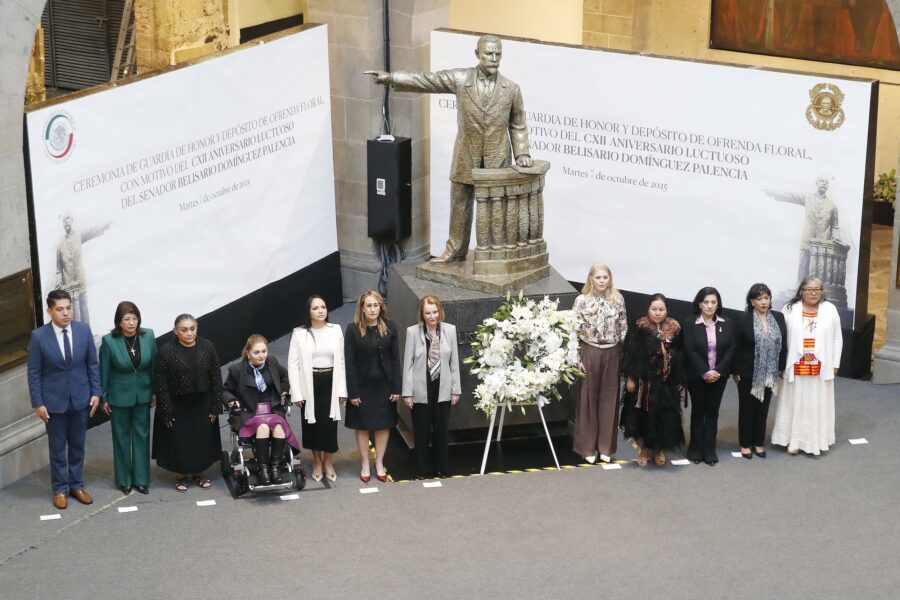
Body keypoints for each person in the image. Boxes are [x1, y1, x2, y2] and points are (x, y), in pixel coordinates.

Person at [366, 34, 532, 262]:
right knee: (460, 204)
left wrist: (522, 153)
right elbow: (428, 80)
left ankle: (496, 254)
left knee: (496, 209)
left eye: (498, 54)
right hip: (466, 154)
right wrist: (392, 77)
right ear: (477, 54)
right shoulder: (461, 78)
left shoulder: (511, 89)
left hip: (497, 158)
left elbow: (518, 124)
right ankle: (455, 250)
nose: (494, 58)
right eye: (488, 53)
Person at [27, 289, 102, 509]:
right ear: (50, 311)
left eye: (68, 308)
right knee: (58, 448)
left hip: (81, 399)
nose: (66, 313)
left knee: (78, 446)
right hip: (53, 403)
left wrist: (96, 392)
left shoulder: (83, 330)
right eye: (60, 309)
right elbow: (34, 373)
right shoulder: (39, 337)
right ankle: (60, 489)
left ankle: (76, 485)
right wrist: (38, 403)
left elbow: (92, 365)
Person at [771, 276, 843, 455]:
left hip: (820, 365)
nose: (813, 293)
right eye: (809, 289)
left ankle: (814, 440)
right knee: (794, 401)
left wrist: (835, 364)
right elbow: (779, 337)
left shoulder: (830, 309)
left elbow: (837, 338)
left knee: (815, 401)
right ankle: (793, 440)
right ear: (801, 291)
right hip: (795, 364)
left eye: (817, 289)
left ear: (822, 291)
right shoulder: (790, 309)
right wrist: (780, 364)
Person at [152, 314, 223, 492]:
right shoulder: (166, 351)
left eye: (193, 328)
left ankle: (199, 473)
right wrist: (166, 411)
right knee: (180, 442)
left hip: (202, 403)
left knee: (201, 440)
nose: (189, 333)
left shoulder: (207, 346)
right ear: (175, 331)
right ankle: (181, 475)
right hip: (178, 406)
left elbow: (216, 377)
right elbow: (161, 384)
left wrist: (216, 405)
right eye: (184, 330)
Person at [98, 301, 158, 495]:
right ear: (119, 322)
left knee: (142, 435)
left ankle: (141, 479)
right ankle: (124, 480)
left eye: (134, 318)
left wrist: (155, 391)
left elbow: (154, 366)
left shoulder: (148, 335)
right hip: (118, 396)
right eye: (127, 319)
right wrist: (104, 398)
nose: (132, 323)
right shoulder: (109, 341)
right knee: (121, 438)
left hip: (143, 393)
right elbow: (104, 371)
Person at [620, 294, 686, 467]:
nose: (657, 313)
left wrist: (679, 378)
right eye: (654, 309)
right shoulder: (639, 326)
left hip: (666, 384)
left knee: (664, 417)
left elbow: (682, 355)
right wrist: (630, 378)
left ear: (667, 310)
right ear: (648, 308)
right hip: (644, 383)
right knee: (642, 416)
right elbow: (629, 355)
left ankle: (659, 450)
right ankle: (644, 449)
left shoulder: (675, 328)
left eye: (661, 309)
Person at [287, 295, 347, 483]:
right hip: (309, 383)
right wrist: (296, 392)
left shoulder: (335, 330)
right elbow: (292, 365)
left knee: (329, 424)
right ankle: (317, 462)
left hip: (331, 380)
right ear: (309, 311)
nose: (321, 310)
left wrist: (342, 390)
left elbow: (342, 362)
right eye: (316, 308)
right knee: (312, 425)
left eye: (323, 306)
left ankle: (328, 462)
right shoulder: (299, 333)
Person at [224, 335, 297, 486]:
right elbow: (225, 390)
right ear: (248, 353)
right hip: (249, 412)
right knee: (263, 427)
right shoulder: (237, 370)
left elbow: (285, 376)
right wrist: (232, 400)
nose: (261, 355)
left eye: (264, 351)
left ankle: (275, 467)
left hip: (271, 410)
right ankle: (263, 469)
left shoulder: (272, 362)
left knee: (279, 428)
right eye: (257, 352)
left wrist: (283, 390)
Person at [572, 263, 627, 464]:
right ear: (590, 279)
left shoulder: (618, 299)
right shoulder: (581, 301)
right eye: (598, 277)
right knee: (588, 399)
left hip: (612, 351)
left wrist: (618, 352)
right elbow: (573, 331)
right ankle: (587, 447)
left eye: (605, 277)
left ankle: (605, 447)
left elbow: (623, 326)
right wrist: (576, 359)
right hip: (589, 350)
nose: (602, 281)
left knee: (609, 399)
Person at [402, 296, 461, 479]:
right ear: (422, 313)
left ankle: (441, 469)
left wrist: (456, 389)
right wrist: (407, 393)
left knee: (441, 432)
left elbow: (454, 363)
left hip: (442, 388)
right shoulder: (413, 332)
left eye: (434, 312)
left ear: (440, 311)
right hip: (420, 389)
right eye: (427, 313)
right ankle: (421, 470)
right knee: (421, 432)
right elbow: (408, 364)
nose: (432, 316)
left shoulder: (449, 330)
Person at [344, 290, 401, 483]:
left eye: (376, 305)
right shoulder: (352, 329)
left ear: (381, 306)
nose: (373, 309)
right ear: (362, 308)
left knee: (383, 425)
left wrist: (396, 388)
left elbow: (395, 360)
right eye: (369, 305)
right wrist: (352, 391)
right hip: (361, 387)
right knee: (362, 427)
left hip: (384, 386)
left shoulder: (390, 327)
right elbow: (349, 363)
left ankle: (379, 462)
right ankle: (365, 463)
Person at [732, 283, 787, 459]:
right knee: (747, 409)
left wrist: (781, 366)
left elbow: (783, 344)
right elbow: (736, 346)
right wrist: (735, 369)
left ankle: (758, 442)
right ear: (751, 301)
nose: (763, 302)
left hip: (770, 372)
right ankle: (745, 444)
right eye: (759, 298)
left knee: (763, 409)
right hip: (748, 371)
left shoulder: (778, 317)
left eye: (766, 298)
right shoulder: (743, 319)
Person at [682, 287, 735, 466]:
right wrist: (705, 372)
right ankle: (695, 449)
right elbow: (689, 349)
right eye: (706, 302)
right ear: (699, 303)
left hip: (719, 377)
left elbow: (731, 349)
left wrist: (717, 371)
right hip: (697, 376)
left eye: (713, 302)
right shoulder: (690, 323)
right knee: (698, 412)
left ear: (718, 303)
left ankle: (709, 449)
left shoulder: (727, 322)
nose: (710, 306)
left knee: (712, 413)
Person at [54, 212, 111, 323]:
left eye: (67, 219)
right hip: (68, 284)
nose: (66, 222)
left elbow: (91, 231)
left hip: (80, 280)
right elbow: (58, 270)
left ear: (72, 220)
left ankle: (87, 332)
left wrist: (105, 225)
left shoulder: (79, 235)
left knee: (84, 305)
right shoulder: (60, 247)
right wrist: (59, 282)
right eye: (63, 221)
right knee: (72, 311)